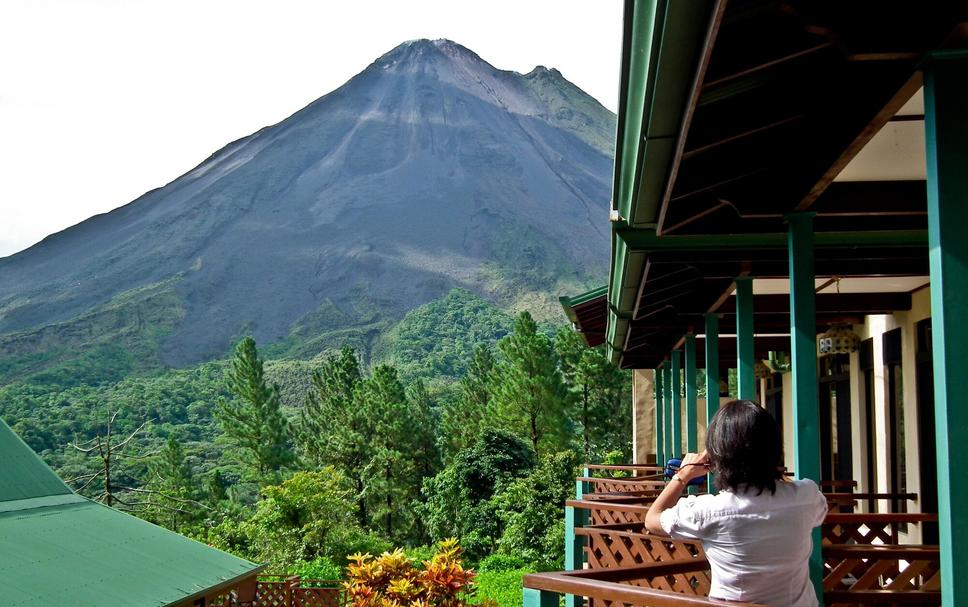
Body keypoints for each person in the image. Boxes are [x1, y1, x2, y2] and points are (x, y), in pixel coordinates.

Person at [645, 400, 827, 607]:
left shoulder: (707, 511)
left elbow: (651, 520)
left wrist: (683, 476)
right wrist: (770, 468)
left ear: (717, 456)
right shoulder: (806, 496)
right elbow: (809, 506)